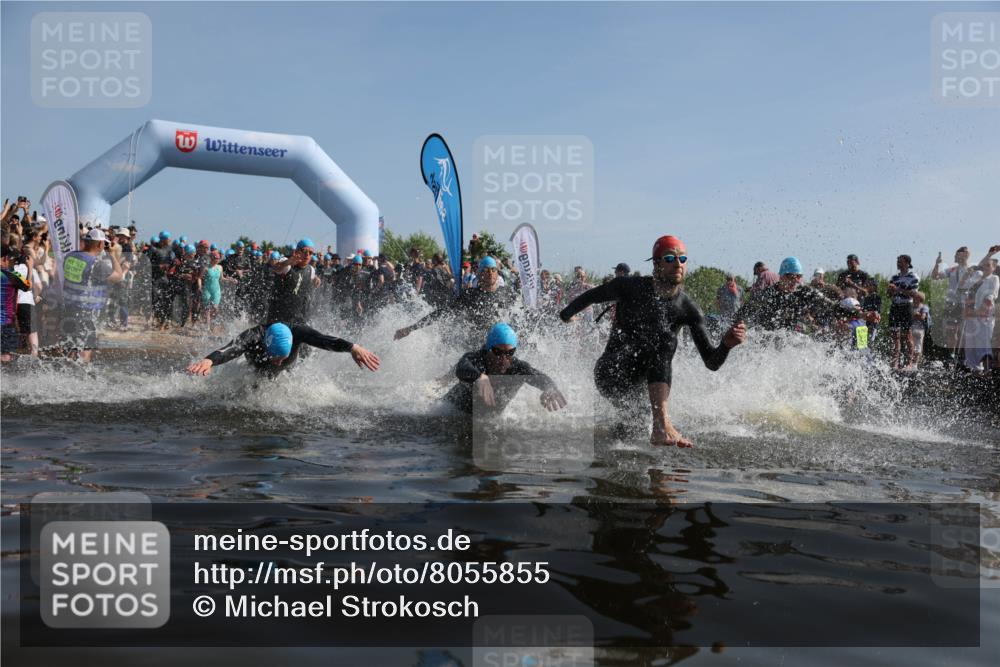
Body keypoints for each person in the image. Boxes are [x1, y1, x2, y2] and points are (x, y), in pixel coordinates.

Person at [559, 235, 746, 447]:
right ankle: (661, 425)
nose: (678, 264)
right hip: (611, 371)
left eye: (682, 259)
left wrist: (726, 345)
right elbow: (591, 296)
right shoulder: (629, 287)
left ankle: (626, 449)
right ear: (656, 263)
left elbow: (711, 362)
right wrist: (566, 314)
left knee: (629, 437)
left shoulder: (688, 308)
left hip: (640, 388)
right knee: (665, 338)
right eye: (670, 258)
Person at [443, 323, 567, 414]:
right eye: (497, 352)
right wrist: (480, 377)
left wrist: (550, 388)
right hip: (450, 411)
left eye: (509, 353)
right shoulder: (477, 359)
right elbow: (461, 368)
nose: (503, 359)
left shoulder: (517, 368)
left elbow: (540, 377)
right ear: (488, 349)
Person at [186, 321, 380, 378]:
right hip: (257, 370)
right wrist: (210, 360)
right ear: (266, 346)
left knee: (285, 372)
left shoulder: (298, 332)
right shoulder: (254, 336)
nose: (278, 361)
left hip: (287, 374)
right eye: (275, 357)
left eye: (282, 357)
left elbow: (324, 340)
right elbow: (231, 349)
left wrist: (353, 347)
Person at [394, 256, 516, 344]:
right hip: (476, 345)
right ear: (479, 274)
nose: (490, 273)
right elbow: (442, 312)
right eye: (486, 270)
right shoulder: (470, 295)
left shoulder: (506, 293)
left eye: (493, 270)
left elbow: (516, 317)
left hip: (500, 346)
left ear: (497, 273)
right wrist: (411, 328)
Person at [59, 228, 124, 362]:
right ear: (100, 244)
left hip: (67, 309)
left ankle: (64, 375)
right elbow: (119, 276)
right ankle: (81, 378)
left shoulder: (70, 256)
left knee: (70, 347)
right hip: (85, 312)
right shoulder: (96, 264)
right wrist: (112, 254)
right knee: (85, 350)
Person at [740, 257, 844, 333]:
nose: (795, 280)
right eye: (791, 276)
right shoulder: (768, 294)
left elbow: (832, 305)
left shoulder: (804, 291)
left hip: (790, 337)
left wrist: (853, 312)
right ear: (781, 276)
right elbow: (744, 311)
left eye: (799, 276)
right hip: (768, 338)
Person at [266, 238, 322, 326]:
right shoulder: (287, 263)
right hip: (278, 318)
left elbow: (311, 276)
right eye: (304, 251)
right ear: (297, 251)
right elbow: (276, 268)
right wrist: (288, 262)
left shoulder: (310, 269)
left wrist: (316, 279)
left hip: (297, 319)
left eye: (310, 253)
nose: (307, 255)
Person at [964, 256, 999, 372]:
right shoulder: (978, 277)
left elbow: (992, 295)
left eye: (988, 265)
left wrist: (984, 306)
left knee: (984, 343)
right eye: (984, 265)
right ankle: (974, 368)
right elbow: (967, 290)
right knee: (970, 342)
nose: (985, 267)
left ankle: (987, 370)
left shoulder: (994, 278)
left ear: (994, 268)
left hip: (985, 315)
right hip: (972, 314)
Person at [887, 254, 920, 370]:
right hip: (895, 306)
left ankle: (909, 363)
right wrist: (890, 290)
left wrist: (898, 289)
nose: (898, 264)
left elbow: (914, 294)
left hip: (906, 306)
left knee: (907, 335)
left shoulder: (913, 276)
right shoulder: (894, 278)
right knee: (894, 335)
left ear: (907, 263)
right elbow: (889, 295)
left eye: (900, 262)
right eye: (897, 261)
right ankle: (894, 364)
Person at [1, 244, 32, 363]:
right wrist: (30, 267)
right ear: (5, 258)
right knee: (5, 356)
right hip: (6, 323)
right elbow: (28, 286)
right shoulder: (12, 274)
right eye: (13, 260)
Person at [909, 291, 931, 369]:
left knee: (917, 347)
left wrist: (915, 315)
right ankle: (910, 363)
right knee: (911, 346)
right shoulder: (911, 306)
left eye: (915, 297)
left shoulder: (924, 307)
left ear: (920, 299)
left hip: (919, 329)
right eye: (914, 297)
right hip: (911, 328)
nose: (914, 299)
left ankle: (915, 364)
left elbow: (922, 317)